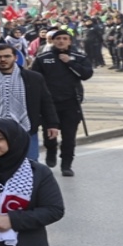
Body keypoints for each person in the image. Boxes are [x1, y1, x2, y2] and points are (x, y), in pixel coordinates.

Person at [31, 30, 93, 177]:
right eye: (58, 38)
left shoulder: (79, 57)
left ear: (70, 41)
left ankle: (67, 165)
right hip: (49, 104)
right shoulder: (43, 58)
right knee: (49, 135)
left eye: (65, 38)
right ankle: (51, 151)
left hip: (71, 103)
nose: (61, 41)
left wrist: (69, 62)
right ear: (52, 41)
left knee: (69, 137)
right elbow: (34, 79)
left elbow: (86, 74)